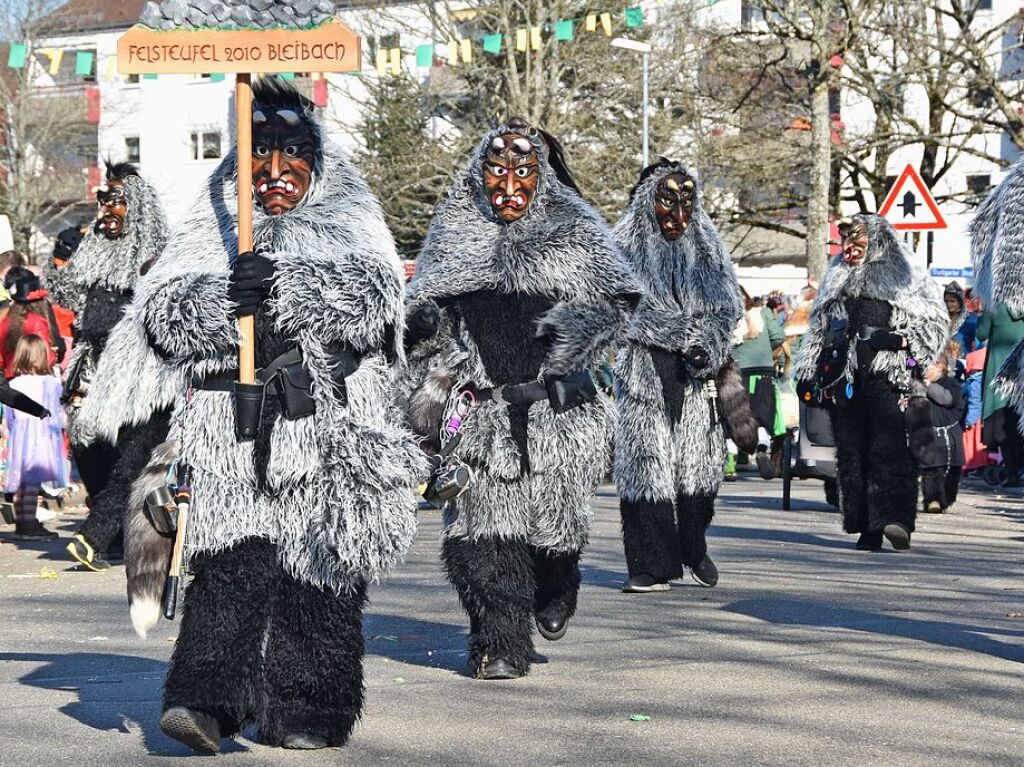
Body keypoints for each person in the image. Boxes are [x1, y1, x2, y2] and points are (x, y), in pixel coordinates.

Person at [132, 78, 420, 753]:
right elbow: (160, 317)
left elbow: (377, 301)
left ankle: (308, 704)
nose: (276, 168)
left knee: (317, 568)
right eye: (261, 150)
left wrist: (288, 290)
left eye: (293, 151)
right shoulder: (213, 220)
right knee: (231, 564)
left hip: (323, 427)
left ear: (317, 159)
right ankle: (206, 700)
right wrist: (221, 299)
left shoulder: (351, 216)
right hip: (231, 425)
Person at [402, 118, 638, 680]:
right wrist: (427, 333)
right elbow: (423, 319)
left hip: (559, 413)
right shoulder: (454, 234)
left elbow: (623, 302)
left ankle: (558, 582)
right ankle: (500, 642)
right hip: (481, 415)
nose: (508, 185)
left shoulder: (575, 233)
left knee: (554, 536)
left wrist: (575, 331)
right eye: (496, 170)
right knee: (482, 537)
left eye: (522, 172)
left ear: (542, 178)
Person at [612, 160, 744, 593]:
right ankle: (652, 564)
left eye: (688, 202)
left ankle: (692, 544)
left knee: (698, 466)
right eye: (669, 201)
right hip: (643, 366)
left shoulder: (708, 246)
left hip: (696, 370)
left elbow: (727, 310)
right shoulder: (622, 244)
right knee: (645, 464)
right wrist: (674, 331)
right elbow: (614, 306)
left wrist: (706, 345)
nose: (679, 216)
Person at [794, 214, 949, 551]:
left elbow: (935, 322)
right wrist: (807, 371)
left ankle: (895, 519)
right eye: (845, 240)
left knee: (888, 446)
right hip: (843, 376)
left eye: (857, 239)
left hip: (887, 375)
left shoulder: (904, 271)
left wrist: (898, 342)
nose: (849, 247)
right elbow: (819, 327)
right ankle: (866, 524)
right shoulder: (837, 274)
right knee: (852, 451)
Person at [59, 161, 170, 572]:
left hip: (142, 376)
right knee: (89, 449)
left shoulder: (159, 255)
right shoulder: (97, 250)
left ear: (137, 206)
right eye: (102, 199)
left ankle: (98, 534)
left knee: (131, 459)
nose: (105, 208)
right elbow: (68, 295)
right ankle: (113, 534)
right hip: (94, 368)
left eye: (115, 200)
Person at [3, 335, 66, 539]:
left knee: (22, 484)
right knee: (32, 485)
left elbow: (10, 417)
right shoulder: (52, 383)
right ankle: (29, 524)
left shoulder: (13, 384)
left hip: (19, 439)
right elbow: (58, 414)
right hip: (41, 438)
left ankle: (22, 521)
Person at [732, 286, 786, 478]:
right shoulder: (762, 312)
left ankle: (733, 460)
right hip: (763, 371)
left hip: (737, 372)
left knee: (737, 415)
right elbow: (780, 336)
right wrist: (764, 348)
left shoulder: (729, 315)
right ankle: (762, 448)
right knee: (762, 414)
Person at [973, 302, 1024, 486]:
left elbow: (981, 333)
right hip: (1021, 372)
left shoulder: (994, 306)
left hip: (999, 373)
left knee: (1002, 426)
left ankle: (1012, 474)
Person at [918, 351, 966, 514]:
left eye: (928, 366)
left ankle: (946, 499)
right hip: (929, 434)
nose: (925, 370)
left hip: (949, 434)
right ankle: (933, 500)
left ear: (940, 367)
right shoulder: (920, 383)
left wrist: (929, 386)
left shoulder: (951, 384)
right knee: (931, 470)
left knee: (952, 471)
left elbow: (947, 399)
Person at [0, 268, 63, 378]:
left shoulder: (5, 322)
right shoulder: (38, 322)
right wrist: (54, 353)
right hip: (34, 380)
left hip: (10, 381)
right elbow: (46, 358)